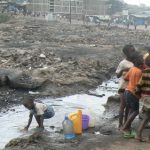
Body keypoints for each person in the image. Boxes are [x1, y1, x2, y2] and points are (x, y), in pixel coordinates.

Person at [121, 52, 144, 137]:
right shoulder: (139, 72)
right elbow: (139, 85)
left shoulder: (132, 69)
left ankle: (127, 127)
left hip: (127, 92)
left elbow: (125, 77)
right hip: (133, 94)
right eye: (142, 60)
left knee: (131, 110)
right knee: (136, 111)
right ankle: (124, 127)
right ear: (140, 63)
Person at [116, 45, 135, 129]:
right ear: (126, 53)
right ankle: (120, 124)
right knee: (123, 105)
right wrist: (123, 70)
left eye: (134, 50)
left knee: (129, 106)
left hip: (131, 86)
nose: (133, 52)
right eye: (132, 51)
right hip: (123, 87)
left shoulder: (135, 62)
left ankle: (126, 123)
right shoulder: (123, 63)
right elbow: (117, 75)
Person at [135, 55, 150, 142]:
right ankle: (149, 137)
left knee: (147, 117)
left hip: (146, 98)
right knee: (147, 117)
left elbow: (139, 85)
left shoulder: (145, 72)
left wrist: (138, 94)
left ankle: (139, 135)